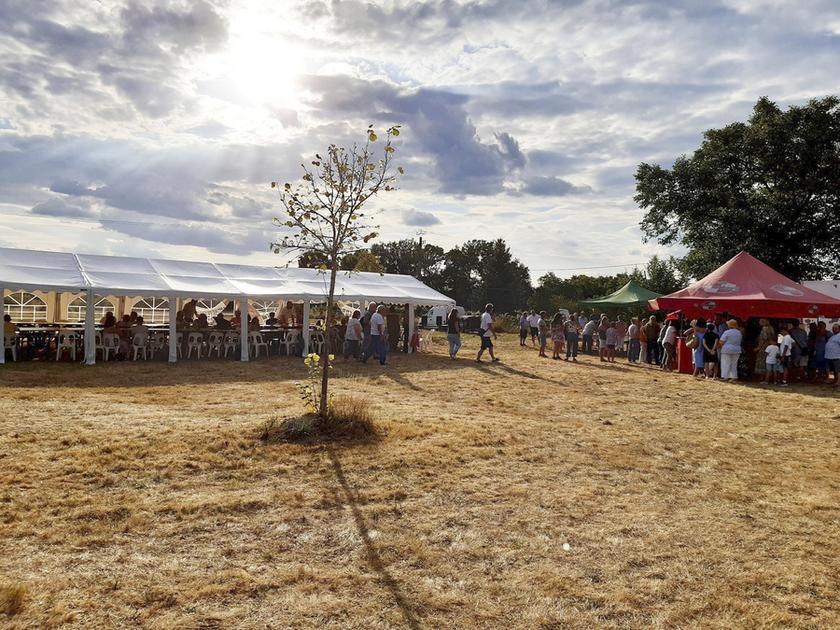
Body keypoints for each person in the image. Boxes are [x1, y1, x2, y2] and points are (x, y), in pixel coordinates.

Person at [825, 324, 840, 390]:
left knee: (838, 370)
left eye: (835, 328)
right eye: (833, 328)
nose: (834, 329)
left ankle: (838, 382)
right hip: (830, 356)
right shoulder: (833, 336)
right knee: (834, 370)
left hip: (837, 356)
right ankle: (835, 380)